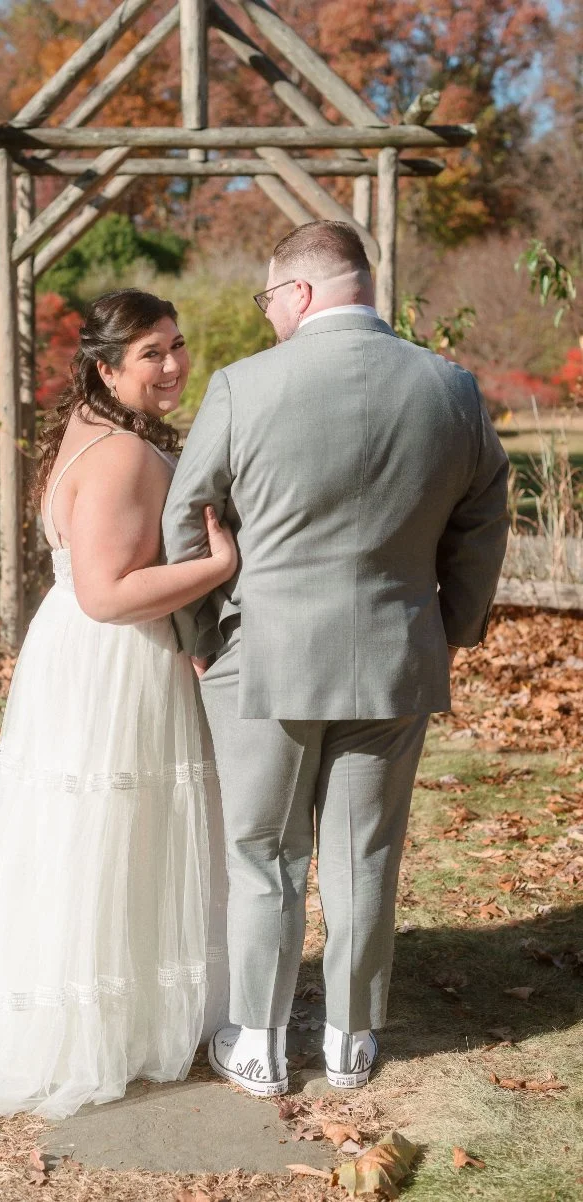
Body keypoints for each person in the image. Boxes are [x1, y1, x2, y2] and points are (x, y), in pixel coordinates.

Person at [162, 220, 509, 1097]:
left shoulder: (242, 386)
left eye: (269, 298)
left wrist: (201, 636)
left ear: (303, 292)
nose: (268, 314)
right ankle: (352, 1040)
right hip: (396, 657)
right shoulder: (452, 388)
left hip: (263, 657)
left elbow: (183, 515)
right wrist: (454, 623)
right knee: (366, 854)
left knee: (264, 854)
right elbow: (485, 514)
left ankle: (261, 1041)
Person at [0, 290, 233, 1119]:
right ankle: (106, 1021)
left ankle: (115, 1003)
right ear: (107, 368)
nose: (175, 364)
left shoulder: (94, 431)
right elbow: (110, 595)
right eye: (153, 353)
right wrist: (218, 566)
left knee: (92, 835)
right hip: (115, 658)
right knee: (111, 830)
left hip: (82, 655)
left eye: (178, 345)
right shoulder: (119, 454)